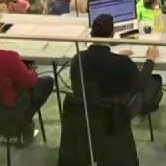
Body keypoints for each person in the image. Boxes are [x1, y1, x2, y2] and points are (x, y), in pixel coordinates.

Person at [59, 13, 159, 166]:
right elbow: (140, 84)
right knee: (152, 84)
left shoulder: (77, 59)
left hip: (86, 113)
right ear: (112, 34)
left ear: (91, 33)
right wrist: (150, 60)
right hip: (117, 113)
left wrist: (116, 57)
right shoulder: (122, 63)